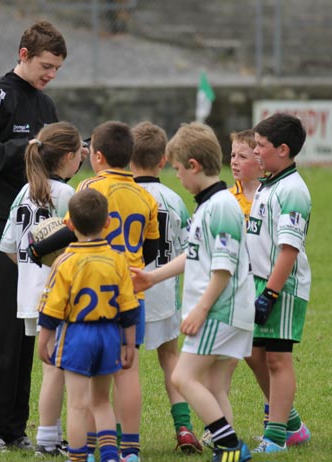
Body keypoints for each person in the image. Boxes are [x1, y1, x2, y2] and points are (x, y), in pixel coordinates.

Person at [0, 21, 67, 452]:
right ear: (24, 54)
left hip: (39, 230)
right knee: (3, 325)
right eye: (46, 65)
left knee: (30, 326)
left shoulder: (46, 104)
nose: (51, 74)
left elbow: (53, 161)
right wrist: (23, 151)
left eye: (57, 68)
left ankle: (15, 428)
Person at [30, 120, 160, 462]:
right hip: (129, 289)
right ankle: (129, 449)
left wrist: (38, 248)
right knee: (127, 371)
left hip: (89, 290)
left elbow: (71, 230)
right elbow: (153, 251)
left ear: (97, 156)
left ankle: (84, 449)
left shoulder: (90, 186)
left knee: (86, 388)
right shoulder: (147, 197)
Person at [131, 122, 254, 462]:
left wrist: (201, 308)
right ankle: (226, 451)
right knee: (213, 386)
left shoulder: (221, 207)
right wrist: (152, 278)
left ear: (194, 166)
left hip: (219, 310)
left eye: (178, 169)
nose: (177, 177)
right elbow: (195, 254)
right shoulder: (208, 206)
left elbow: (224, 266)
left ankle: (230, 447)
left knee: (183, 377)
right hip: (225, 310)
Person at [37, 188, 141, 462]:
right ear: (107, 222)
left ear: (69, 225)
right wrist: (129, 343)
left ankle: (78, 458)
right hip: (109, 333)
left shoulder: (64, 262)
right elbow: (129, 307)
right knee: (101, 400)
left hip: (77, 334)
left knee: (77, 405)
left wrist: (43, 340)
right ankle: (108, 456)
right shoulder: (118, 259)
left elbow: (51, 309)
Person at [0, 121, 83, 456]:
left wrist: (31, 271)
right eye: (79, 154)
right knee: (65, 368)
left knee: (51, 366)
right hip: (60, 295)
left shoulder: (24, 191)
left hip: (31, 294)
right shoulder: (67, 195)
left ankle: (50, 439)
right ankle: (54, 441)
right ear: (67, 157)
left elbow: (7, 246)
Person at [129, 121, 202, 454]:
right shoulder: (175, 199)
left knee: (123, 366)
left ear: (128, 158)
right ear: (163, 161)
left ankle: (119, 434)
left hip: (127, 292)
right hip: (163, 295)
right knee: (170, 358)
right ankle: (184, 428)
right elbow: (191, 250)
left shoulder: (122, 197)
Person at [247, 113, 311, 454]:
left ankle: (276, 438)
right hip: (260, 283)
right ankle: (292, 424)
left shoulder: (292, 190)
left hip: (282, 288)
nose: (256, 151)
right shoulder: (269, 183)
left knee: (277, 360)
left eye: (261, 146)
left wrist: (270, 293)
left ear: (283, 149)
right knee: (252, 353)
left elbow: (288, 248)